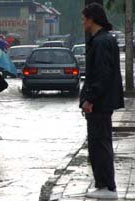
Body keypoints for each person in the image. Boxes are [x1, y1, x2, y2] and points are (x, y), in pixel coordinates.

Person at [80, 3, 124, 199]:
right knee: (97, 143)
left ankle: (107, 187)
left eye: (84, 18)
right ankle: (102, 185)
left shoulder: (101, 41)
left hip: (100, 103)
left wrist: (90, 99)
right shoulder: (101, 39)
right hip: (100, 101)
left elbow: (102, 75)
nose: (83, 22)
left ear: (92, 19)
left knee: (100, 143)